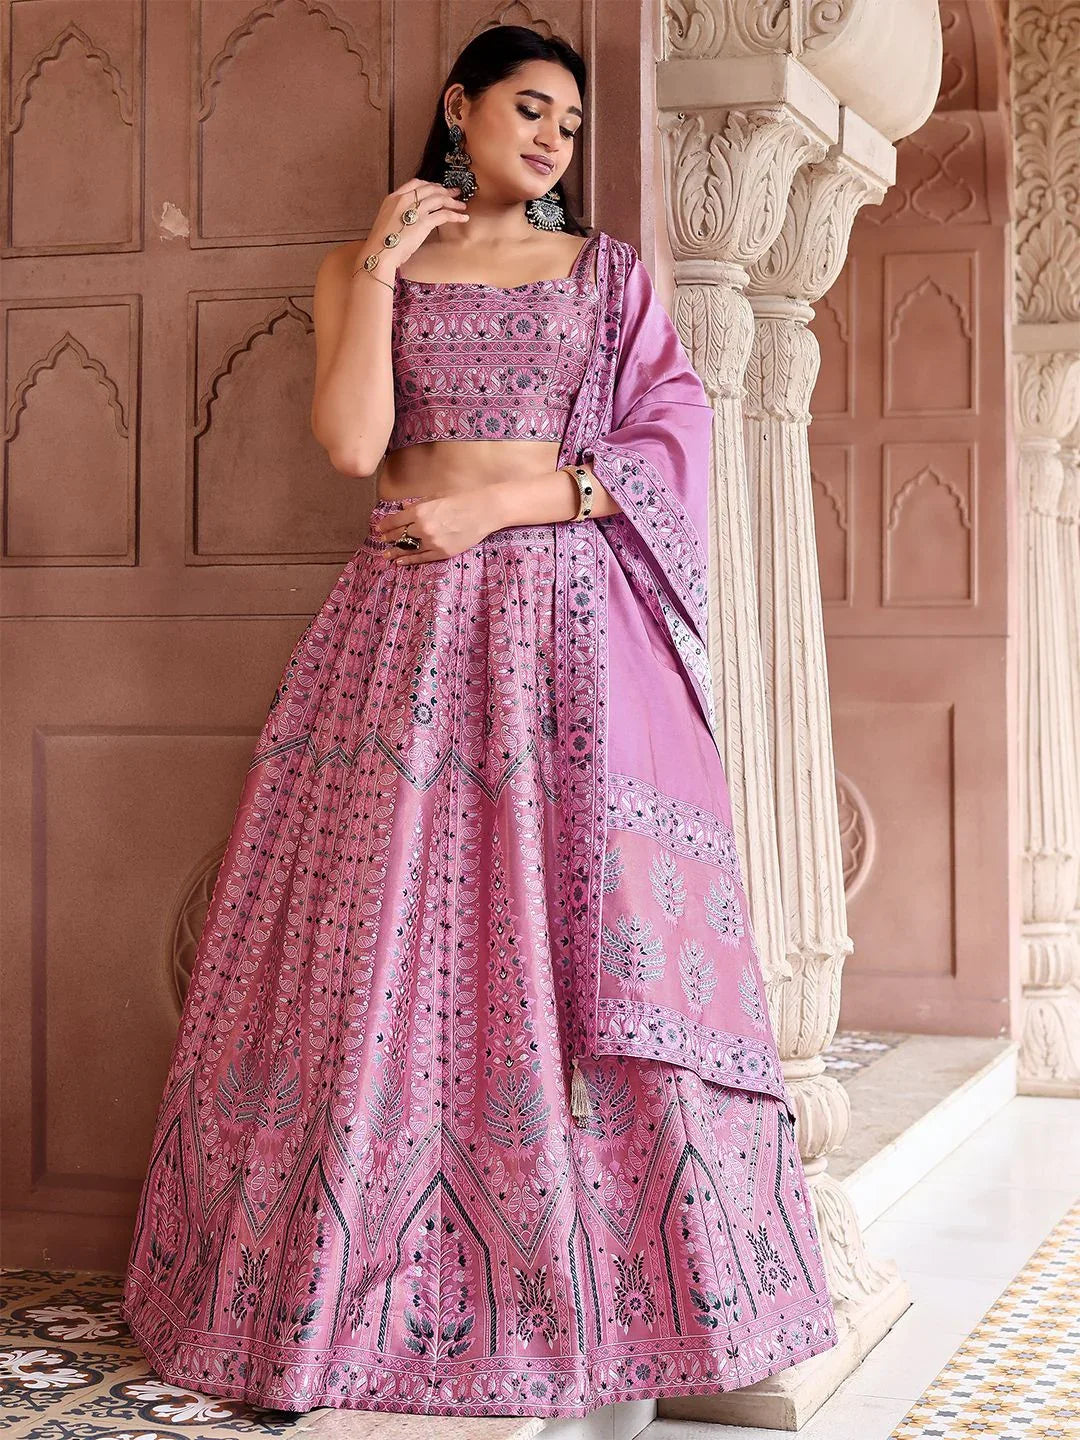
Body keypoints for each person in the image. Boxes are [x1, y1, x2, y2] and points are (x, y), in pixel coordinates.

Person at [121, 24, 838, 1421]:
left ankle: (636, 1314)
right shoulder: (361, 270)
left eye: (572, 119)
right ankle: (351, 1299)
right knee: (386, 942)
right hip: (408, 639)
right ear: (458, 110)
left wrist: (500, 506)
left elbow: (674, 442)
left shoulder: (610, 276)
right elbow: (349, 445)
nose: (556, 136)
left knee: (583, 943)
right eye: (529, 107)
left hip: (574, 640)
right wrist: (384, 266)